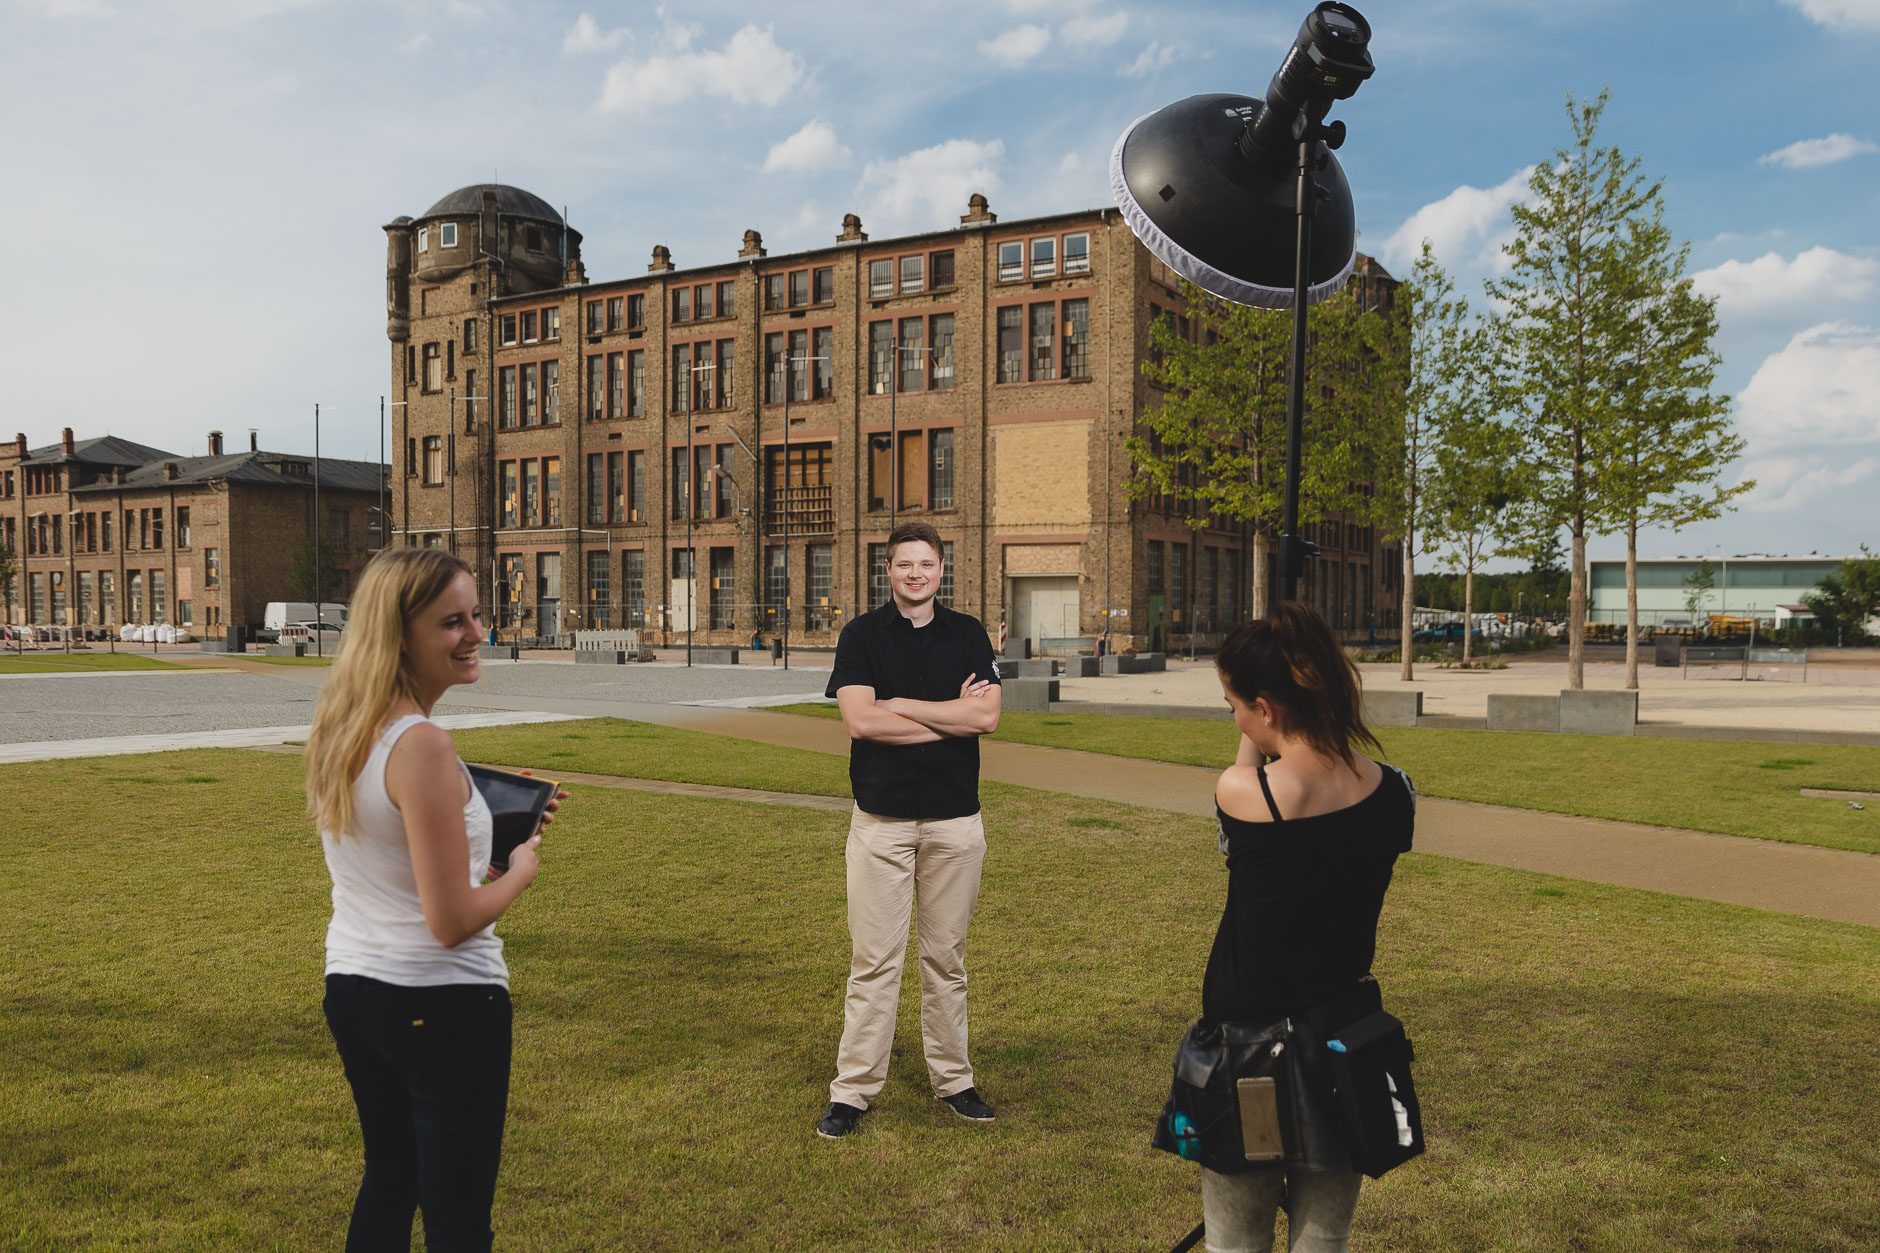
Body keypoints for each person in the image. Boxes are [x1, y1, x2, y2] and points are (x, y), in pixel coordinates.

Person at [304, 547, 565, 1251]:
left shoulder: (342, 729)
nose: (476, 633)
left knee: (391, 1180)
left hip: (356, 989)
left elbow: (402, 857)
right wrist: (523, 869)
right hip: (442, 1002)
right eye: (452, 622)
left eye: (476, 615)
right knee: (457, 1219)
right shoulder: (423, 746)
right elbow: (451, 920)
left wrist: (497, 842)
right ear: (399, 635)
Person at [1200, 601, 1415, 1253]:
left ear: (1265, 708)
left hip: (1252, 1054)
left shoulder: (1249, 794)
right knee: (1325, 1237)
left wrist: (1258, 729)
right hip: (1345, 1046)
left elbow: (1239, 807)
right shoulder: (1396, 791)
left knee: (1237, 1240)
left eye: (1234, 705)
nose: (1235, 718)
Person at [815, 521, 1003, 1139]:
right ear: (888, 570)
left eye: (926, 564)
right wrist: (951, 716)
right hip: (882, 823)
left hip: (955, 822)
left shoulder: (968, 634)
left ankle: (955, 1080)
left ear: (941, 570)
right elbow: (861, 723)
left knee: (946, 960)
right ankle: (853, 1091)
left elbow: (988, 718)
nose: (915, 573)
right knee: (874, 963)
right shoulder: (861, 635)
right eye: (904, 564)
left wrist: (900, 705)